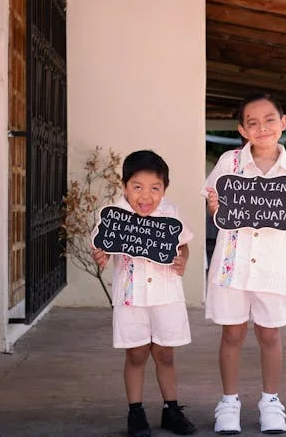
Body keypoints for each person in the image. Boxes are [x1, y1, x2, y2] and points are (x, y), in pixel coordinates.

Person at [203, 92, 286, 434]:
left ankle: (271, 402)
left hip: (271, 267)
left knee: (270, 333)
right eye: (252, 122)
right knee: (232, 333)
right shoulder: (229, 163)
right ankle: (229, 402)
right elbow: (217, 208)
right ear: (242, 129)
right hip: (232, 265)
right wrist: (213, 208)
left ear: (283, 123)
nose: (262, 127)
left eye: (269, 120)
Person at [93, 150, 197, 437]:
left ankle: (171, 410)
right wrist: (100, 256)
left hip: (166, 295)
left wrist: (183, 259)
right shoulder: (114, 216)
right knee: (136, 353)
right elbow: (102, 246)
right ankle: (136, 412)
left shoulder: (170, 213)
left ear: (165, 189)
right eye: (137, 187)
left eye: (155, 188)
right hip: (132, 297)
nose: (146, 196)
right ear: (124, 186)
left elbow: (183, 244)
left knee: (165, 354)